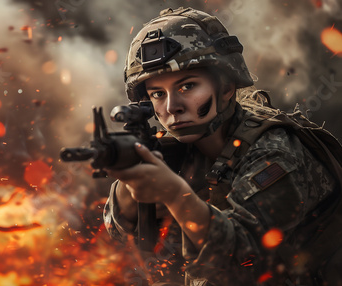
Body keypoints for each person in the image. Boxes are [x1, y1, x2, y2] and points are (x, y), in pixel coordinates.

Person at [103, 7, 342, 286]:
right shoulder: (183, 149)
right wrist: (129, 190)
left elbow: (238, 258)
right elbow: (123, 235)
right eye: (158, 94)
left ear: (226, 87)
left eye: (187, 86)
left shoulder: (275, 154)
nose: (171, 107)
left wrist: (175, 193)